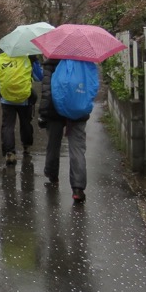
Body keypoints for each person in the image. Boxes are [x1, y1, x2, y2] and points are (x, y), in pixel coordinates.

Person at [37, 58, 94, 203]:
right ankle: (78, 188)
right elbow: (92, 86)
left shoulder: (51, 62)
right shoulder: (85, 62)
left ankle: (52, 174)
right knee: (77, 149)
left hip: (54, 111)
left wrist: (43, 112)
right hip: (78, 110)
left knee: (53, 144)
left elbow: (47, 90)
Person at [0, 53, 43, 166]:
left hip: (6, 99)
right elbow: (39, 77)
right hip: (24, 98)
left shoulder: (2, 58)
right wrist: (35, 61)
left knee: (7, 126)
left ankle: (9, 152)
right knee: (25, 123)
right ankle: (26, 146)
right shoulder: (28, 58)